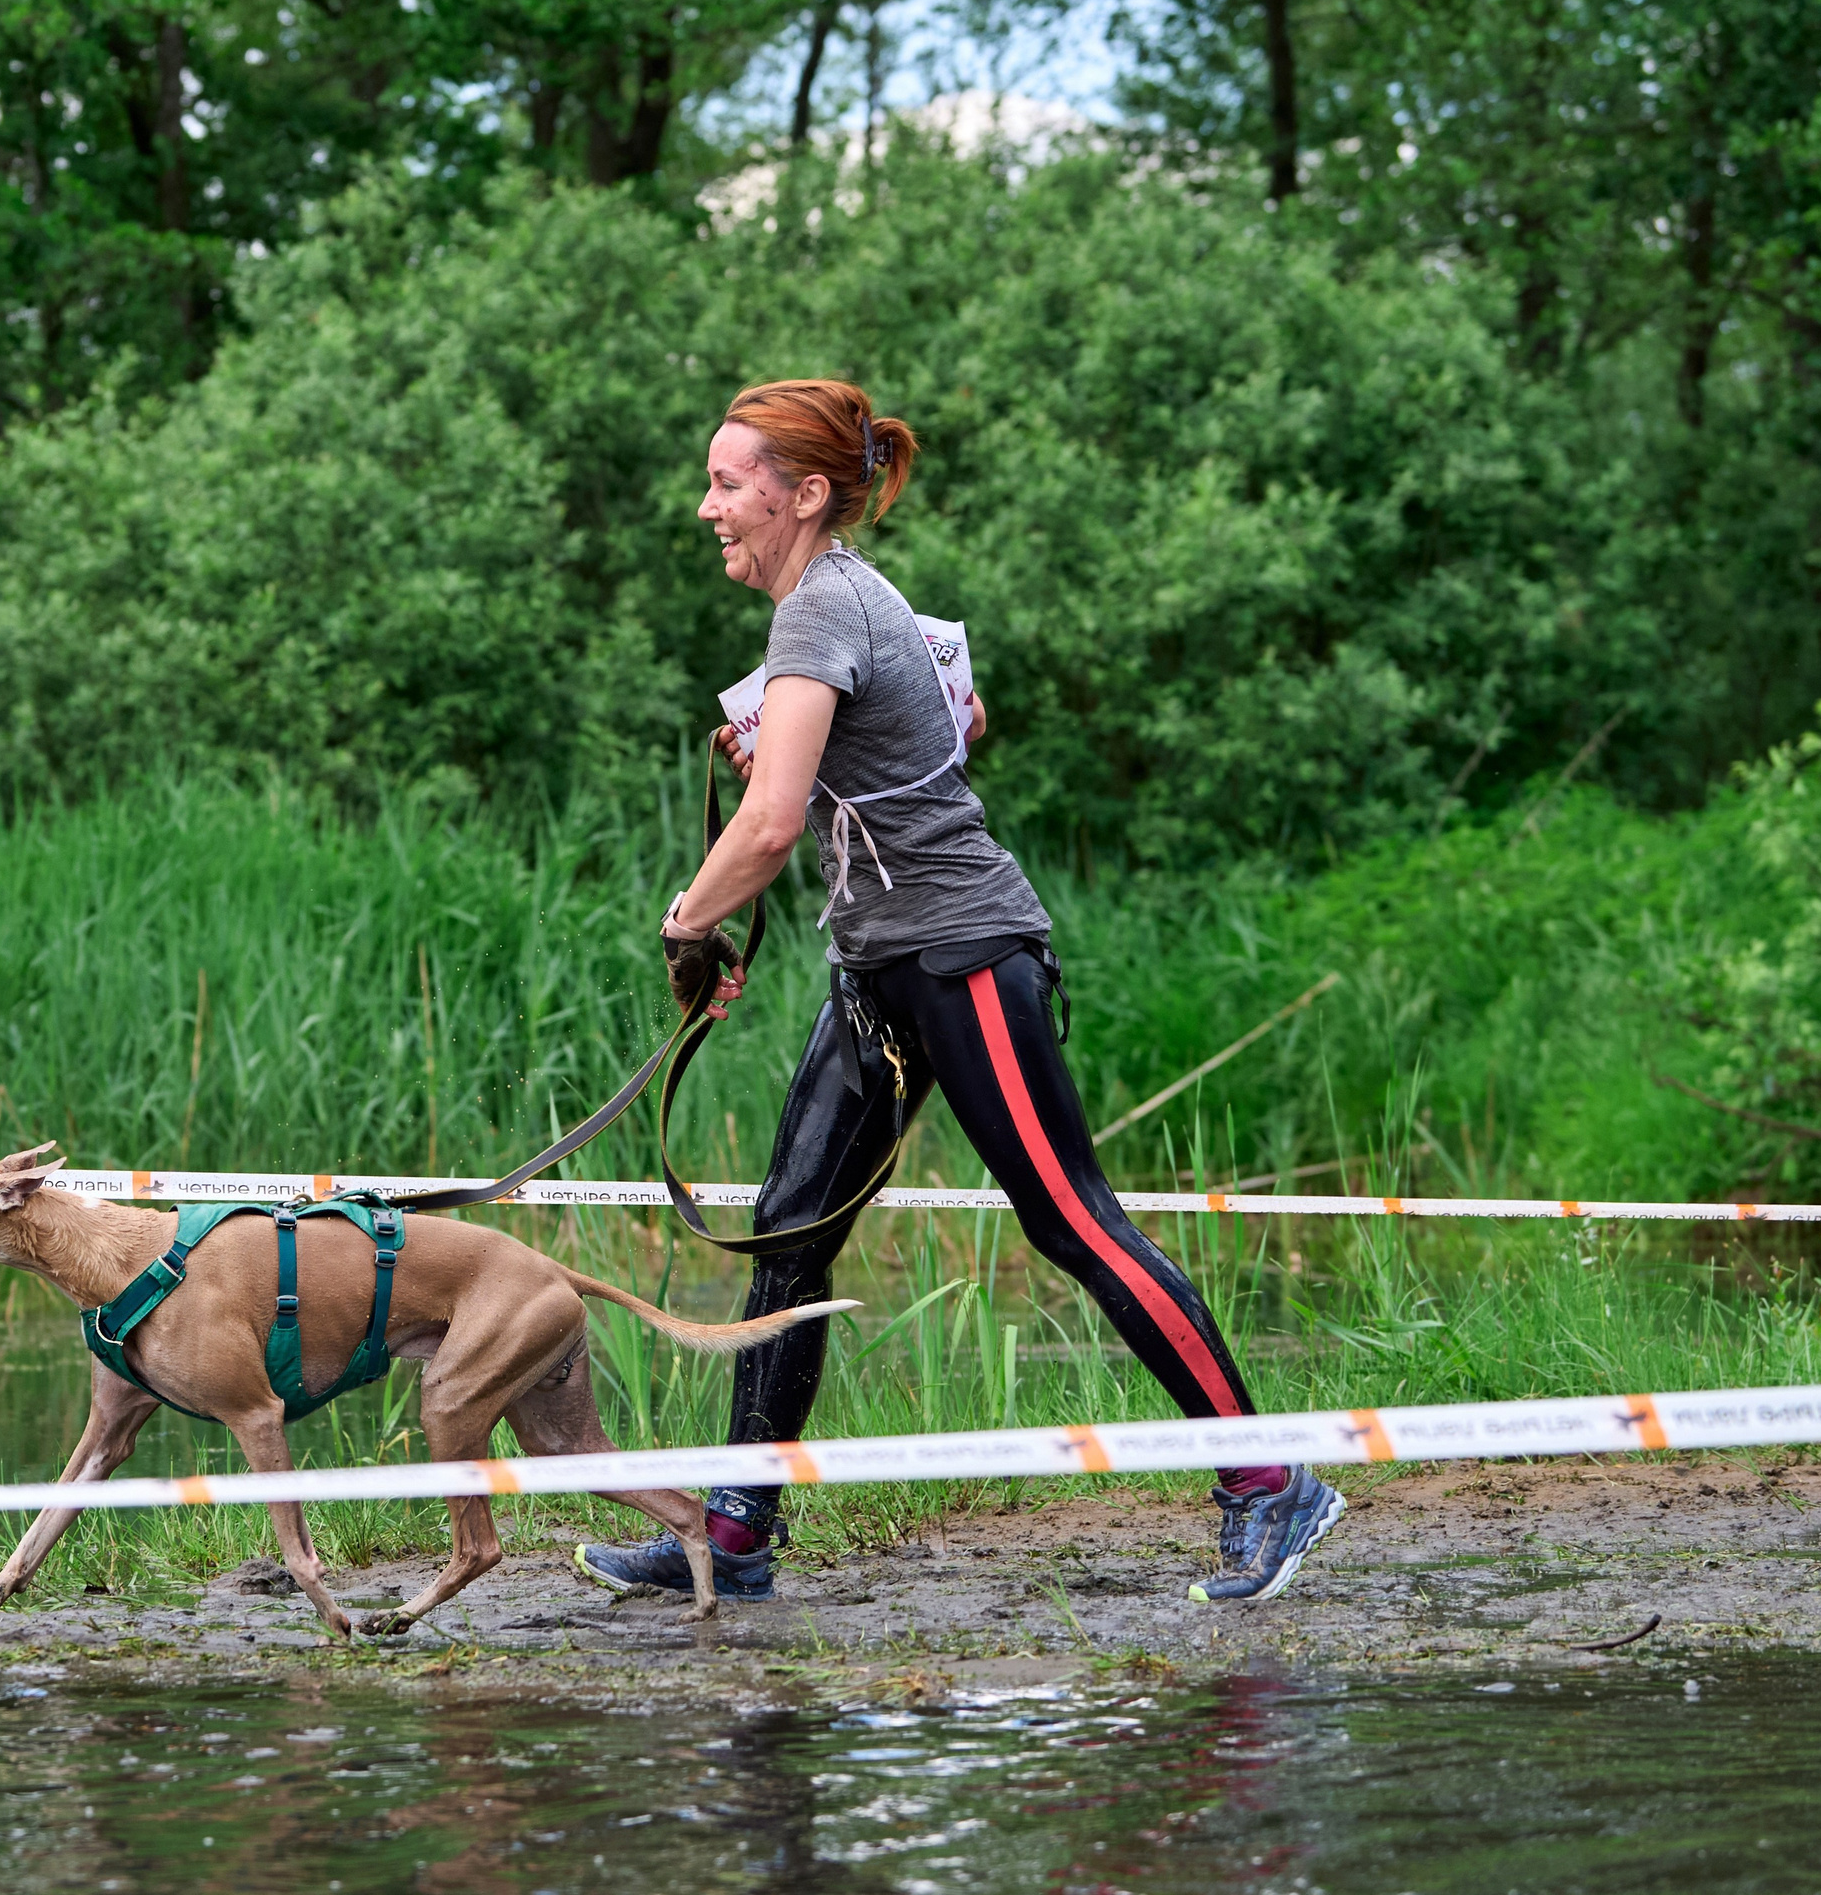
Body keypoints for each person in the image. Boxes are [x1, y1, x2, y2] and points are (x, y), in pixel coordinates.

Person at [575, 380, 1343, 1605]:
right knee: (789, 1230)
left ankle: (1268, 1482)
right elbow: (948, 723)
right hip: (878, 967)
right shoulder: (845, 606)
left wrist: (687, 919)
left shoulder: (820, 608)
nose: (707, 506)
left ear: (806, 494)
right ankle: (734, 1538)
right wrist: (787, 747)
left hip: (966, 956)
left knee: (1071, 1220)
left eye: (728, 484)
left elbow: (768, 829)